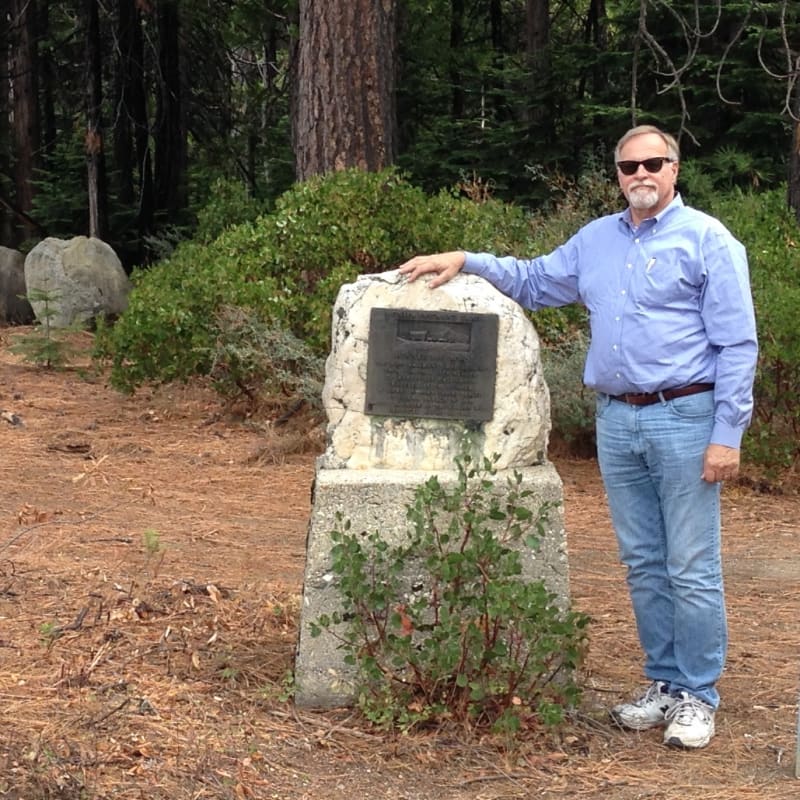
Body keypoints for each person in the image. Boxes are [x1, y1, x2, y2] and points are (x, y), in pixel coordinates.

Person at [397, 124, 758, 750]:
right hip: (617, 421)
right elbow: (537, 281)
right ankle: (664, 683)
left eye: (652, 163)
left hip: (686, 417)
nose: (640, 175)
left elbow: (737, 344)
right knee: (644, 562)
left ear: (675, 168)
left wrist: (727, 433)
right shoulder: (596, 240)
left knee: (691, 565)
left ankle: (698, 695)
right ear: (616, 174)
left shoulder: (708, 240)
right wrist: (469, 260)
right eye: (627, 166)